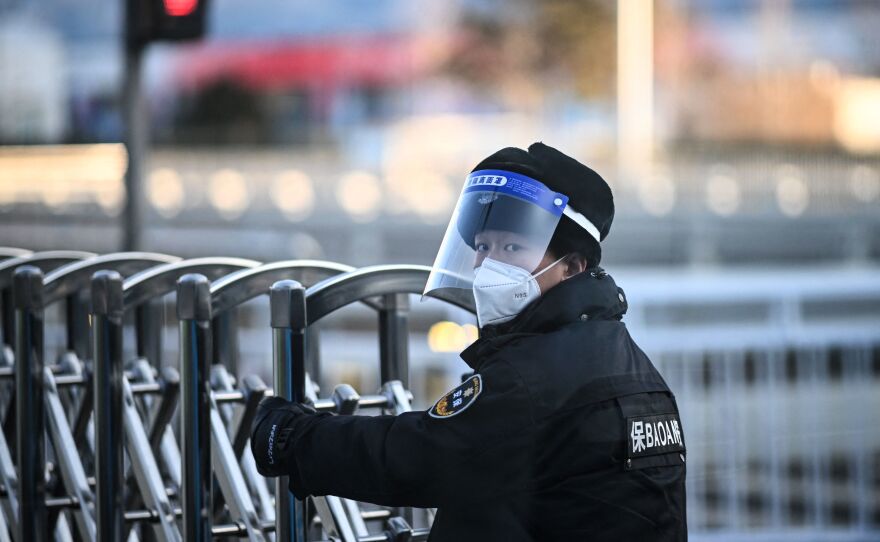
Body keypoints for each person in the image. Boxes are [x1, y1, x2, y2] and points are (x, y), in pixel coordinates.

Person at [251, 142, 688, 541]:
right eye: (482, 245)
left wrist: (291, 437)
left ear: (571, 266)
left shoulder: (536, 377)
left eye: (512, 247)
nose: (487, 264)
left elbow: (418, 456)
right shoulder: (627, 362)